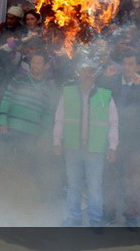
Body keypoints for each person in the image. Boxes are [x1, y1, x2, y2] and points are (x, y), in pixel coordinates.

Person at [54, 61, 119, 227]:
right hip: (73, 147)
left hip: (95, 149)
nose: (87, 75)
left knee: (94, 187)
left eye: (90, 72)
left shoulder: (106, 95)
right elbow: (59, 119)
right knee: (73, 185)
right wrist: (57, 141)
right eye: (84, 71)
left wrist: (113, 146)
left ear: (95, 75)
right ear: (79, 73)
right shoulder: (67, 93)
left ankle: (95, 221)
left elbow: (113, 122)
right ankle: (74, 218)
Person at [99, 53, 140, 227]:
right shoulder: (113, 82)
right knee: (110, 178)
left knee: (134, 182)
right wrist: (105, 78)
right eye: (125, 63)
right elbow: (99, 100)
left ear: (137, 67)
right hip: (113, 140)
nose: (127, 67)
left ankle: (131, 216)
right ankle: (109, 213)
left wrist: (139, 88)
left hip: (135, 142)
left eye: (131, 64)